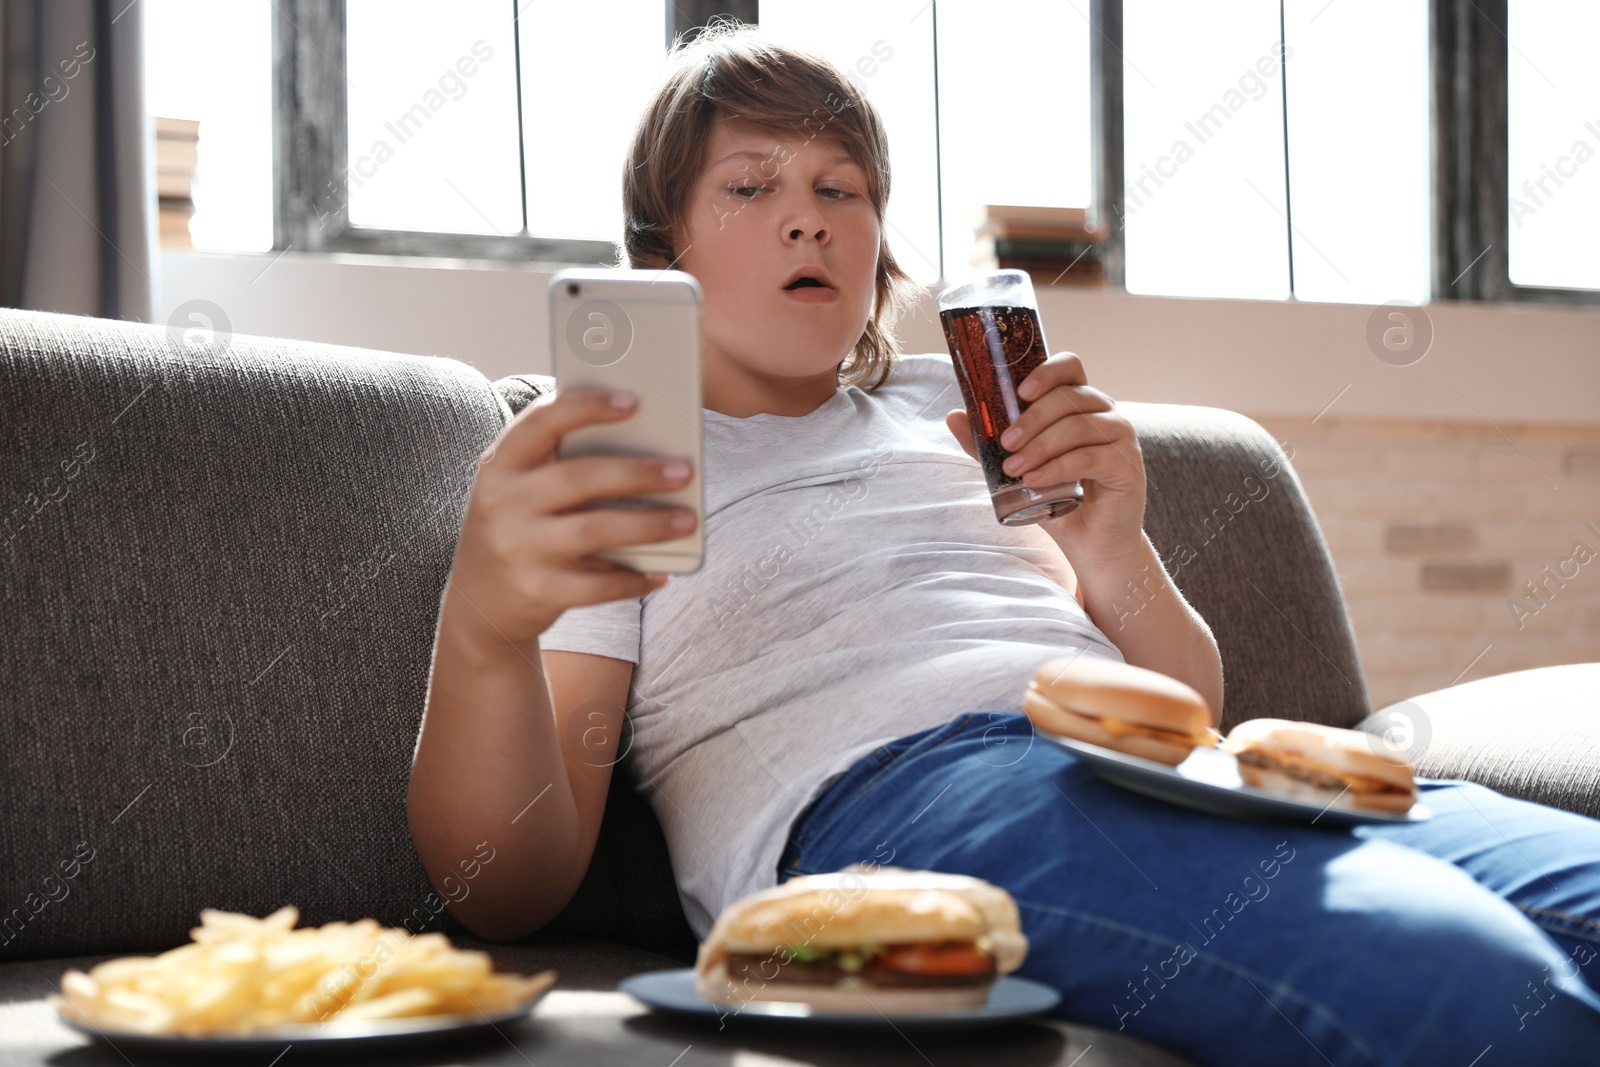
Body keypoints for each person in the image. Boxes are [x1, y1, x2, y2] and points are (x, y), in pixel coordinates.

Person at [406, 21, 1600, 1067]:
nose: (809, 220)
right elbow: (506, 886)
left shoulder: (959, 406)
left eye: (843, 188)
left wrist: (1111, 545)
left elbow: (1183, 704)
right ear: (661, 251)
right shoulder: (618, 461)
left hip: (1185, 767)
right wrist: (485, 627)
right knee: (1482, 989)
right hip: (902, 808)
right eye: (751, 188)